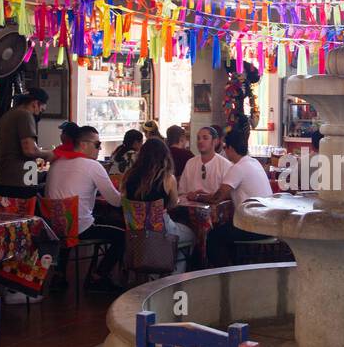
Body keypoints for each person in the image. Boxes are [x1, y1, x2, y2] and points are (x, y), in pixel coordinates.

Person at [45, 124, 125, 293]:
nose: (100, 148)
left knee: (72, 222)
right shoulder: (92, 166)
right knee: (123, 236)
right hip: (80, 228)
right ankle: (98, 276)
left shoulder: (57, 162)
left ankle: (59, 274)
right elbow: (116, 201)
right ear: (83, 144)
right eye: (97, 144)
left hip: (55, 227)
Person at [122, 138, 195, 273]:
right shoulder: (167, 178)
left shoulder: (128, 176)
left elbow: (123, 198)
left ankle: (152, 275)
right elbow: (173, 204)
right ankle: (174, 278)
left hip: (135, 235)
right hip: (161, 232)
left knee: (173, 242)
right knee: (191, 235)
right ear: (165, 156)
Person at [206, 127, 273, 266]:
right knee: (225, 231)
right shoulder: (254, 163)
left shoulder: (238, 168)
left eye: (225, 147)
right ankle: (234, 267)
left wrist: (197, 196)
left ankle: (221, 275)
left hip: (255, 226)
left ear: (230, 148)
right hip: (268, 223)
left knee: (214, 236)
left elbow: (217, 198)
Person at [0, 88, 52, 200]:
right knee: (24, 218)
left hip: (5, 180)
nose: (39, 114)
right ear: (35, 103)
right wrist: (49, 154)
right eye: (41, 110)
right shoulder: (25, 115)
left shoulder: (9, 115)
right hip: (19, 184)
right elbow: (29, 150)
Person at [180, 126, 229, 200]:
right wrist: (190, 195)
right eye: (198, 138)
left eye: (205, 138)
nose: (200, 141)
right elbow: (181, 191)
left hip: (214, 208)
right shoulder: (190, 163)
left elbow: (227, 196)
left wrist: (205, 197)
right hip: (190, 207)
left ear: (214, 141)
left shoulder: (225, 165)